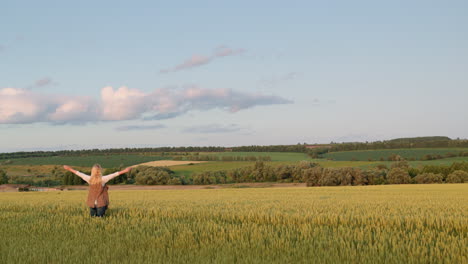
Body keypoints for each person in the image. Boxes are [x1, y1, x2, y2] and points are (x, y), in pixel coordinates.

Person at [63, 164, 131, 217]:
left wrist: (69, 168)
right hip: (101, 203)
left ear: (92, 171)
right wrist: (125, 170)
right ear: (100, 171)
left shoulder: (89, 179)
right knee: (100, 220)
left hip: (92, 203)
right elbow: (114, 174)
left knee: (93, 221)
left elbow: (79, 173)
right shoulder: (103, 179)